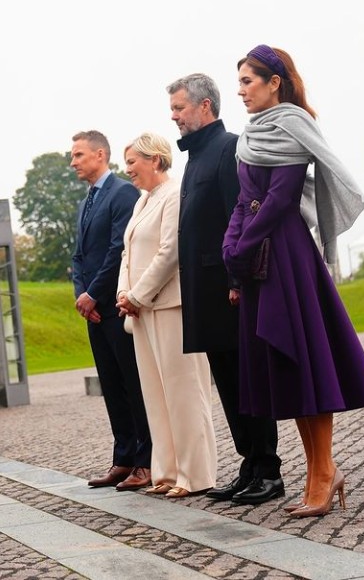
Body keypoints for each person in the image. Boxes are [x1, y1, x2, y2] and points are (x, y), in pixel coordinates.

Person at [222, 45, 364, 518]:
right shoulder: (248, 137)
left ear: (274, 82)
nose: (241, 91)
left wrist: (244, 243)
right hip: (258, 259)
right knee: (287, 370)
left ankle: (323, 471)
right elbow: (244, 200)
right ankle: (321, 472)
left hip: (287, 257)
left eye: (248, 81)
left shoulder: (293, 124)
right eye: (239, 82)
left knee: (304, 362)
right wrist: (230, 247)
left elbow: (279, 200)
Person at [166, 73, 283, 505]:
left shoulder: (229, 146)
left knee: (246, 380)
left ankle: (269, 469)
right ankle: (249, 464)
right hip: (205, 290)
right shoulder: (196, 156)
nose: (174, 116)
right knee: (228, 383)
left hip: (228, 289)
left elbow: (245, 215)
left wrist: (238, 279)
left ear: (205, 107)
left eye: (179, 108)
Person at [116, 132, 217, 498]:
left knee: (184, 392)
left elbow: (170, 250)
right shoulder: (141, 201)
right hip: (141, 312)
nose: (127, 169)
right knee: (156, 394)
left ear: (155, 160)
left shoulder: (174, 194)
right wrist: (123, 294)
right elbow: (127, 253)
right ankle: (168, 472)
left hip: (171, 306)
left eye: (132, 162)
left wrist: (138, 295)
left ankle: (196, 475)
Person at [71, 130, 152, 490]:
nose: (73, 162)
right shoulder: (86, 200)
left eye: (78, 155)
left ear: (100, 155)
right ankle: (123, 458)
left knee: (131, 383)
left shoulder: (122, 193)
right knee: (111, 386)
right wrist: (81, 297)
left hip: (116, 307)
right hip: (93, 310)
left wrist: (95, 293)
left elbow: (118, 250)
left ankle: (145, 462)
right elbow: (78, 257)